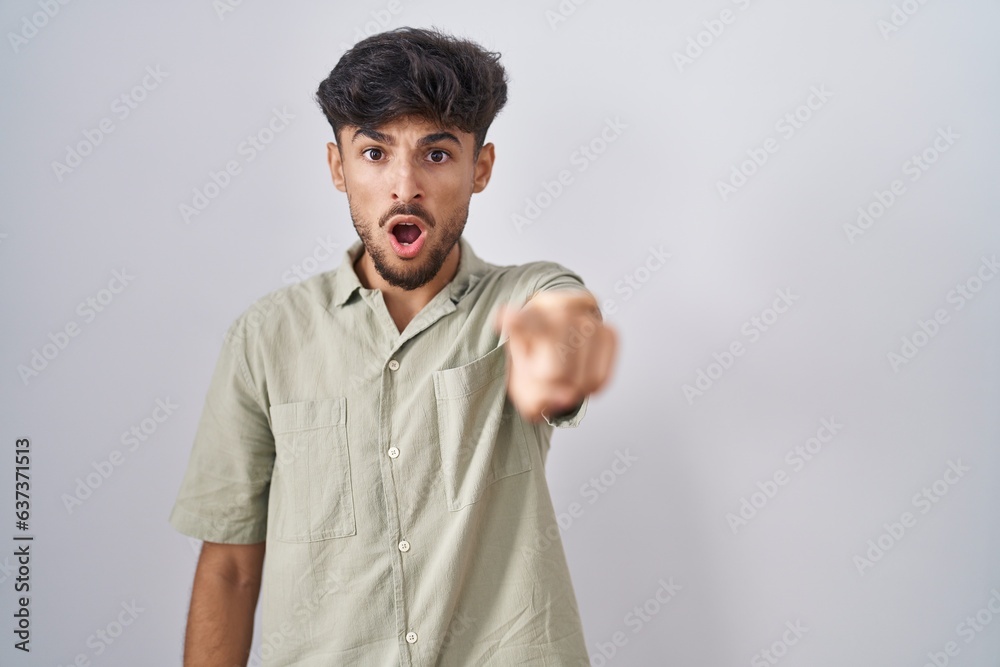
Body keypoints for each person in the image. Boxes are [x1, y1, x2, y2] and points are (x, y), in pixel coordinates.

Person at [168, 26, 618, 666]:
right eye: (375, 154)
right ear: (337, 166)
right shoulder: (265, 337)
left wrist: (564, 353)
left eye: (436, 155)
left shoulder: (521, 296)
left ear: (479, 168)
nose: (404, 187)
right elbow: (231, 570)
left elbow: (564, 315)